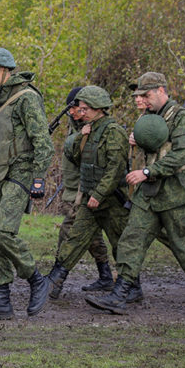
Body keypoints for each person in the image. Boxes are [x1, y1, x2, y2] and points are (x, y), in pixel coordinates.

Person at [86, 72, 185, 316]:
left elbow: (180, 157)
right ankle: (121, 293)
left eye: (146, 95)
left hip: (175, 194)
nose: (143, 101)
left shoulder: (182, 118)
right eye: (139, 96)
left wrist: (146, 171)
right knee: (131, 239)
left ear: (161, 90)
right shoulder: (149, 118)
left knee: (183, 245)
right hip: (148, 195)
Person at [0, 48, 54, 320]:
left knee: (3, 232)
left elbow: (43, 142)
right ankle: (1, 298)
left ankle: (37, 280)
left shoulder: (26, 98)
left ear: (6, 71)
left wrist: (39, 178)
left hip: (21, 171)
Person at [46, 86, 129, 299]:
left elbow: (115, 167)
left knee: (116, 239)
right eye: (77, 108)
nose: (76, 113)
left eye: (82, 109)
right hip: (82, 193)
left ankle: (127, 283)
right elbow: (74, 155)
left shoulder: (110, 131)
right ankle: (57, 282)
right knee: (80, 235)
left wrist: (98, 194)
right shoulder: (85, 130)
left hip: (98, 195)